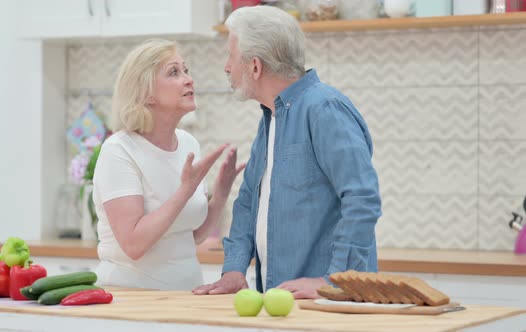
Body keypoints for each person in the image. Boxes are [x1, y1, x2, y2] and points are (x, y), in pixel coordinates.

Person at [192, 6, 382, 299]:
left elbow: (362, 198)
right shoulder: (271, 117)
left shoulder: (324, 108)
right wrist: (234, 269)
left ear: (255, 66)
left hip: (330, 304)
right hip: (281, 300)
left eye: (231, 56)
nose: (227, 66)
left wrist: (334, 281)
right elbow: (246, 203)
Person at [92, 39, 246, 290]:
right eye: (174, 72)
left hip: (185, 293)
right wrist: (185, 190)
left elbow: (193, 235)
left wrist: (221, 194)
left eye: (186, 70)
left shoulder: (188, 143)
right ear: (145, 92)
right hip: (130, 298)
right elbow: (133, 244)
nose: (188, 79)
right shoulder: (118, 150)